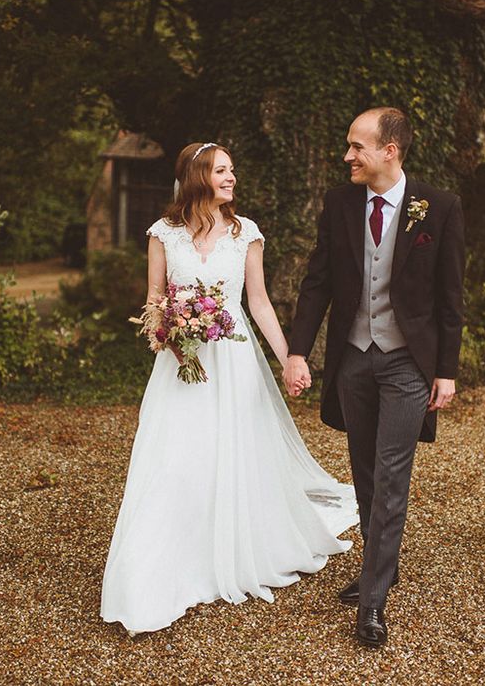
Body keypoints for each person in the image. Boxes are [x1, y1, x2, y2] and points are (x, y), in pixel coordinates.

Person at [100, 142, 358, 636]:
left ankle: (235, 543)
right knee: (175, 455)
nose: (231, 178)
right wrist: (168, 336)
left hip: (234, 359)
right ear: (198, 177)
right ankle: (167, 556)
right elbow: (155, 300)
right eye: (222, 171)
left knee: (233, 449)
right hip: (182, 364)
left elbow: (258, 303)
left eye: (232, 170)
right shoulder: (163, 234)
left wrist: (289, 360)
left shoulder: (246, 234)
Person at [284, 108, 465, 647]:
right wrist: (299, 352)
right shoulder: (340, 203)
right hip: (354, 357)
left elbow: (450, 297)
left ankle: (373, 601)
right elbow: (317, 282)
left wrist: (447, 371)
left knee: (391, 477)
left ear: (390, 150)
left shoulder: (440, 207)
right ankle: (377, 566)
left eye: (357, 146)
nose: (347, 156)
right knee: (364, 471)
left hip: (408, 363)